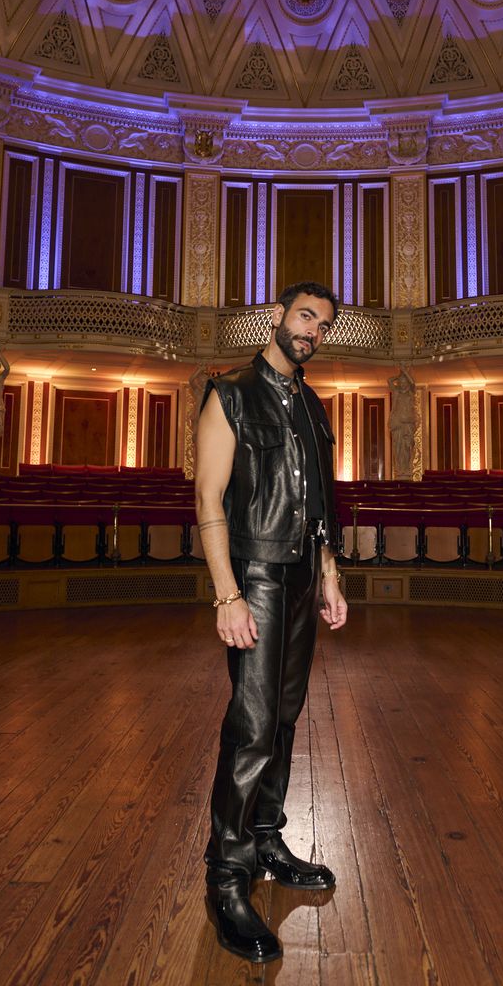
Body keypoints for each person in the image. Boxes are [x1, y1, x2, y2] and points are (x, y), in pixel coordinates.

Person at [195, 281, 348, 964]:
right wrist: (226, 594)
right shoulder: (229, 392)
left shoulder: (314, 407)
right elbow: (208, 500)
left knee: (285, 714)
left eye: (324, 324)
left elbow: (320, 507)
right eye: (305, 316)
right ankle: (227, 874)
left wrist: (330, 574)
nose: (313, 330)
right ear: (279, 318)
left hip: (298, 579)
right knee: (252, 723)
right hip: (253, 576)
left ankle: (264, 838)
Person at [388, 365, 416, 480]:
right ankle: (400, 471)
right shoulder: (396, 393)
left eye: (405, 382)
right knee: (398, 448)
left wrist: (405, 373)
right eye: (401, 382)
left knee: (407, 448)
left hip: (408, 424)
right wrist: (399, 375)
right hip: (397, 423)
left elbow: (413, 384)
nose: (403, 384)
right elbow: (389, 380)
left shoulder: (410, 393)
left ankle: (407, 470)